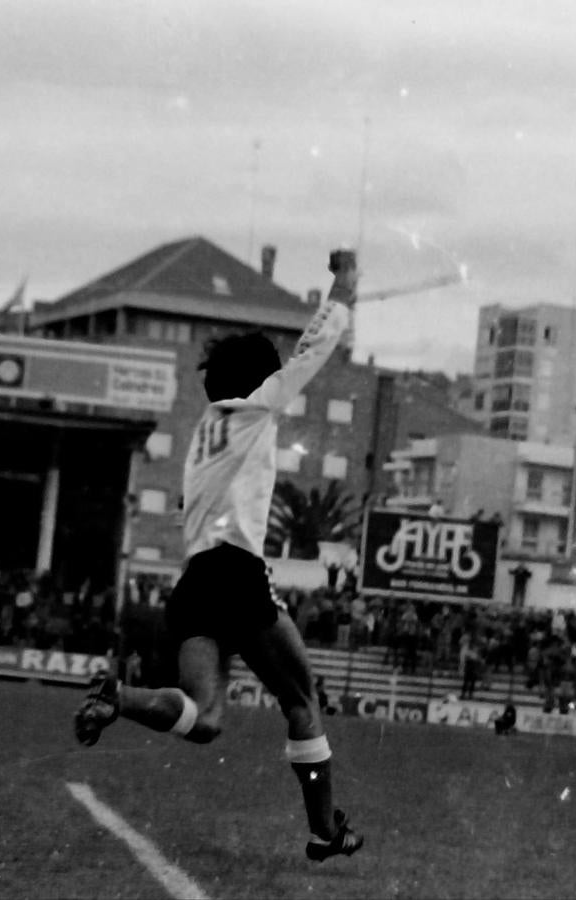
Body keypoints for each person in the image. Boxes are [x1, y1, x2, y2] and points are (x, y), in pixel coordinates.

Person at [73, 249, 364, 863]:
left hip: (196, 581)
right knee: (301, 702)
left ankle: (118, 699)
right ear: (261, 380)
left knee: (204, 720)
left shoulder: (204, 431)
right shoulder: (257, 409)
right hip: (235, 571)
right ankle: (324, 831)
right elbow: (317, 346)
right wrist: (344, 285)